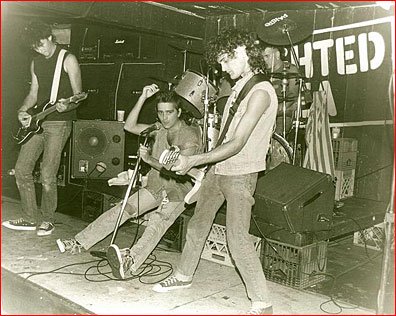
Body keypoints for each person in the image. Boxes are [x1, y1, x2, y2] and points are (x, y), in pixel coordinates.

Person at [152, 29, 278, 315]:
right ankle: (183, 276)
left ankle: (262, 303)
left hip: (241, 173)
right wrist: (205, 166)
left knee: (237, 238)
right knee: (197, 225)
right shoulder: (240, 86)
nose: (222, 68)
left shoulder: (260, 91)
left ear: (243, 52)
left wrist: (194, 160)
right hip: (219, 170)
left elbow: (238, 143)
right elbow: (224, 138)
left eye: (225, 60)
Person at [56, 85, 203, 278]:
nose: (164, 117)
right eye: (160, 113)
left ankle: (131, 261)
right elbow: (129, 126)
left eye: (169, 113)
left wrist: (149, 160)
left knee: (157, 222)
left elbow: (179, 172)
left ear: (179, 112)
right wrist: (143, 97)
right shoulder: (158, 128)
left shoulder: (189, 136)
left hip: (179, 190)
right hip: (156, 185)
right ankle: (79, 242)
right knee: (122, 209)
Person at [2, 21, 82, 236]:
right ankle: (29, 218)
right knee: (21, 169)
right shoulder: (36, 62)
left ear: (50, 37)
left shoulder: (68, 59)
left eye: (41, 44)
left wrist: (68, 105)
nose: (39, 49)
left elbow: (79, 95)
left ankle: (48, 219)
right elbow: (34, 94)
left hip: (59, 122)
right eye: (34, 47)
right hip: (39, 121)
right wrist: (23, 110)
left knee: (47, 173)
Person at [262, 46, 299, 137]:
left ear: (277, 55)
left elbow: (292, 97)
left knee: (277, 136)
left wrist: (274, 110)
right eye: (262, 57)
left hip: (282, 114)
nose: (264, 60)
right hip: (265, 114)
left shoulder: (290, 70)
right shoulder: (263, 73)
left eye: (267, 56)